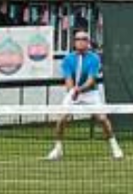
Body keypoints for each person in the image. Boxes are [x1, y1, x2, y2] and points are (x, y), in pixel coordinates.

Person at [47, 28, 122, 161]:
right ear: (74, 42)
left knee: (103, 119)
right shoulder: (68, 59)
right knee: (61, 119)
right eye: (78, 39)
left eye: (83, 39)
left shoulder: (94, 58)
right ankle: (57, 149)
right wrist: (72, 91)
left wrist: (79, 90)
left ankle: (115, 147)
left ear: (88, 43)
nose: (80, 42)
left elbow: (91, 80)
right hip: (73, 92)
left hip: (90, 93)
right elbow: (68, 79)